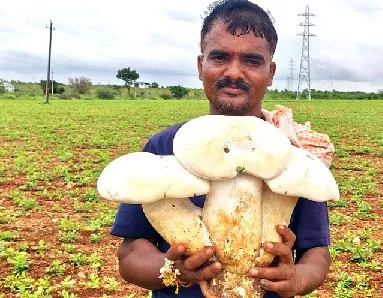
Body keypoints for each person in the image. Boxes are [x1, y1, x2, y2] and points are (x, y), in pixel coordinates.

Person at [110, 0, 332, 297]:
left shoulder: (292, 155)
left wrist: (298, 279)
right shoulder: (163, 148)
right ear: (201, 66)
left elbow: (316, 254)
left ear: (271, 72)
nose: (235, 72)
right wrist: (175, 270)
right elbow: (130, 254)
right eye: (219, 57)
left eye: (252, 60)